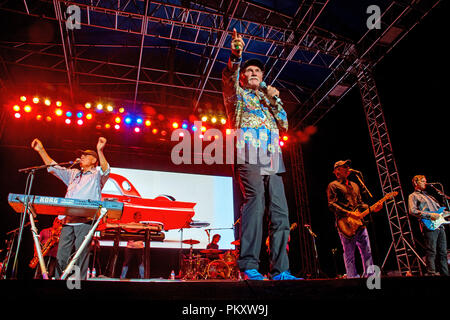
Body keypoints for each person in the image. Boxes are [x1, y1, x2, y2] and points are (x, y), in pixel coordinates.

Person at [222, 28, 299, 280]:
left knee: (280, 212)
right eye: (250, 71)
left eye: (258, 71)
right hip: (249, 152)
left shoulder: (268, 102)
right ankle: (248, 266)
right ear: (243, 78)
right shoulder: (238, 97)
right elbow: (229, 76)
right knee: (255, 203)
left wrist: (276, 100)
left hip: (273, 156)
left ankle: (281, 270)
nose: (254, 73)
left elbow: (285, 126)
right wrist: (236, 54)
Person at [31, 137, 110, 280]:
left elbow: (106, 170)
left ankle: (79, 287)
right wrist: (41, 151)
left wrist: (100, 150)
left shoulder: (96, 175)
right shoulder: (73, 174)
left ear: (94, 161)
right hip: (67, 221)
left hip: (85, 221)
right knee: (61, 257)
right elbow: (54, 167)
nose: (82, 157)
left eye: (86, 155)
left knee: (80, 258)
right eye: (81, 155)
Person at [326, 160, 383, 278]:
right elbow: (331, 204)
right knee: (349, 253)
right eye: (344, 167)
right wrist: (349, 213)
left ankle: (370, 277)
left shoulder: (355, 185)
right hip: (345, 223)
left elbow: (360, 204)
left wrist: (373, 208)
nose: (348, 168)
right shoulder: (333, 185)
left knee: (367, 251)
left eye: (348, 166)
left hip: (360, 223)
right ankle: (352, 278)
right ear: (337, 171)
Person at [408, 175, 448, 276]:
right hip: (429, 225)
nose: (425, 183)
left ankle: (445, 274)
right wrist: (430, 214)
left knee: (443, 252)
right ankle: (431, 273)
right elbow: (412, 210)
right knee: (431, 251)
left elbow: (439, 212)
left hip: (440, 226)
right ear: (416, 183)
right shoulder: (413, 196)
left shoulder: (431, 197)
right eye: (422, 181)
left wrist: (444, 214)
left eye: (425, 181)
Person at [120, 212, 145, 279]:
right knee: (126, 262)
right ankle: (122, 277)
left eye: (140, 216)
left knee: (141, 263)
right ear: (134, 216)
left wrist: (135, 233)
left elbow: (143, 234)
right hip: (130, 247)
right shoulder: (130, 224)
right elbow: (128, 232)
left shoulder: (143, 225)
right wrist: (136, 232)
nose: (140, 217)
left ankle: (142, 277)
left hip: (139, 247)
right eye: (138, 215)